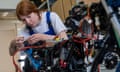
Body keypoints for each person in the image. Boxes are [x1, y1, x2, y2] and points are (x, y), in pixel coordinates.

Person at [9, 0, 68, 71]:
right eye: (24, 20)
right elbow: (12, 53)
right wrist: (18, 45)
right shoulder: (24, 31)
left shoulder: (51, 17)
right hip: (40, 67)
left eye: (29, 16)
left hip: (59, 63)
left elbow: (64, 39)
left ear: (35, 11)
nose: (28, 22)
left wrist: (45, 37)